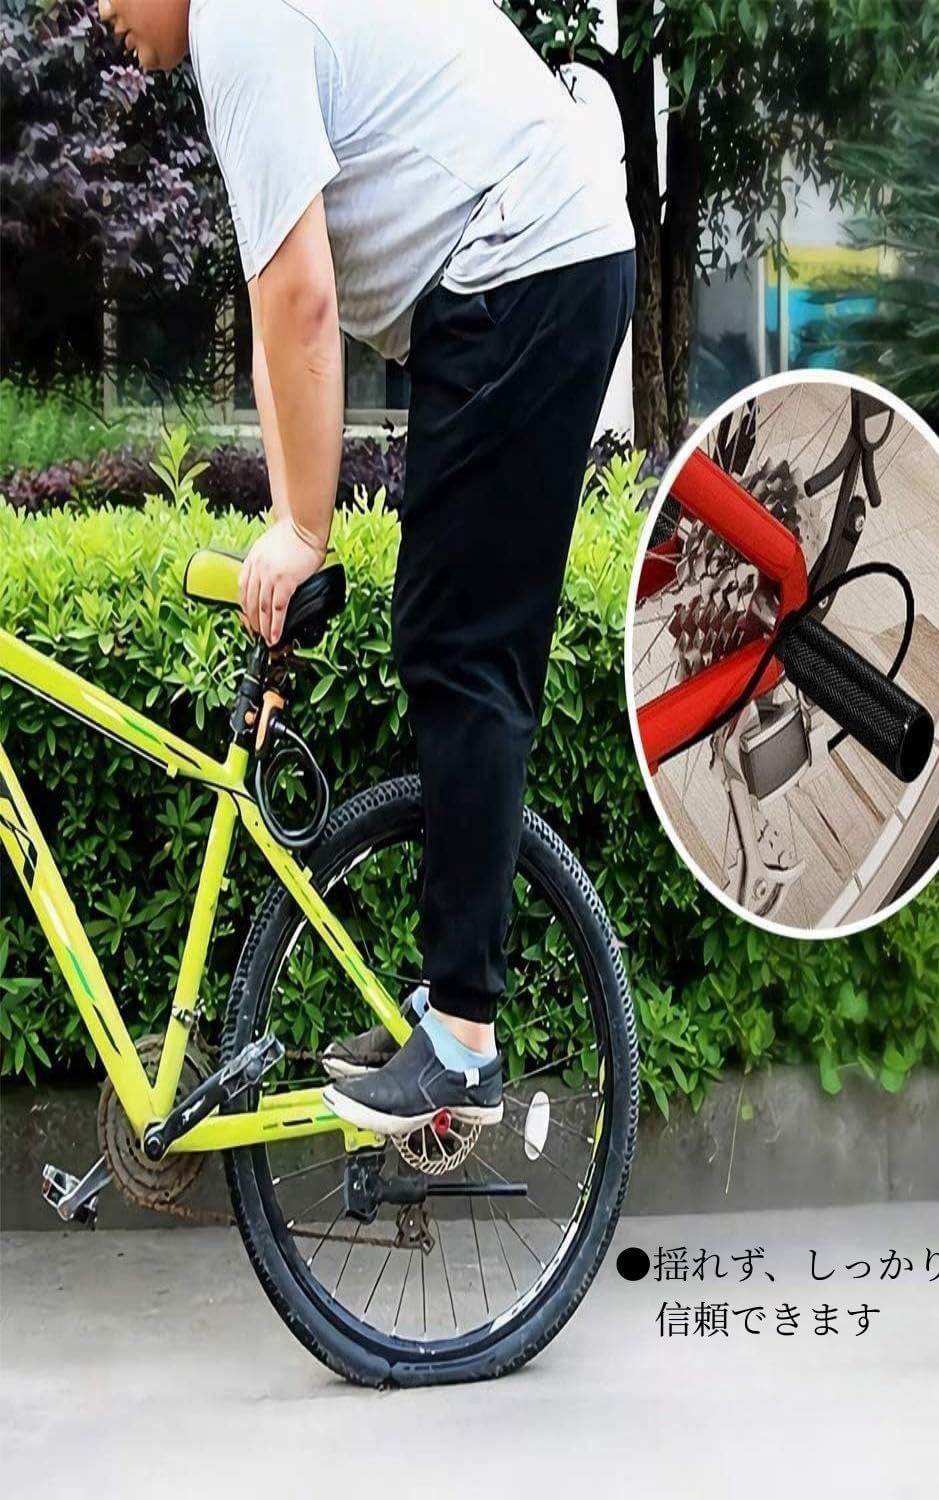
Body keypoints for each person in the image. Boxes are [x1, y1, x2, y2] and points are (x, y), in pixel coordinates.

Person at [97, 0, 636, 1136]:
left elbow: (305, 301)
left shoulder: (238, 23)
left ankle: (463, 1043)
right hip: (526, 262)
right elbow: (276, 315)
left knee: (460, 646)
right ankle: (452, 1012)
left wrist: (305, 529)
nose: (97, 11)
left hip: (522, 261)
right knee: (447, 635)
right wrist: (291, 539)